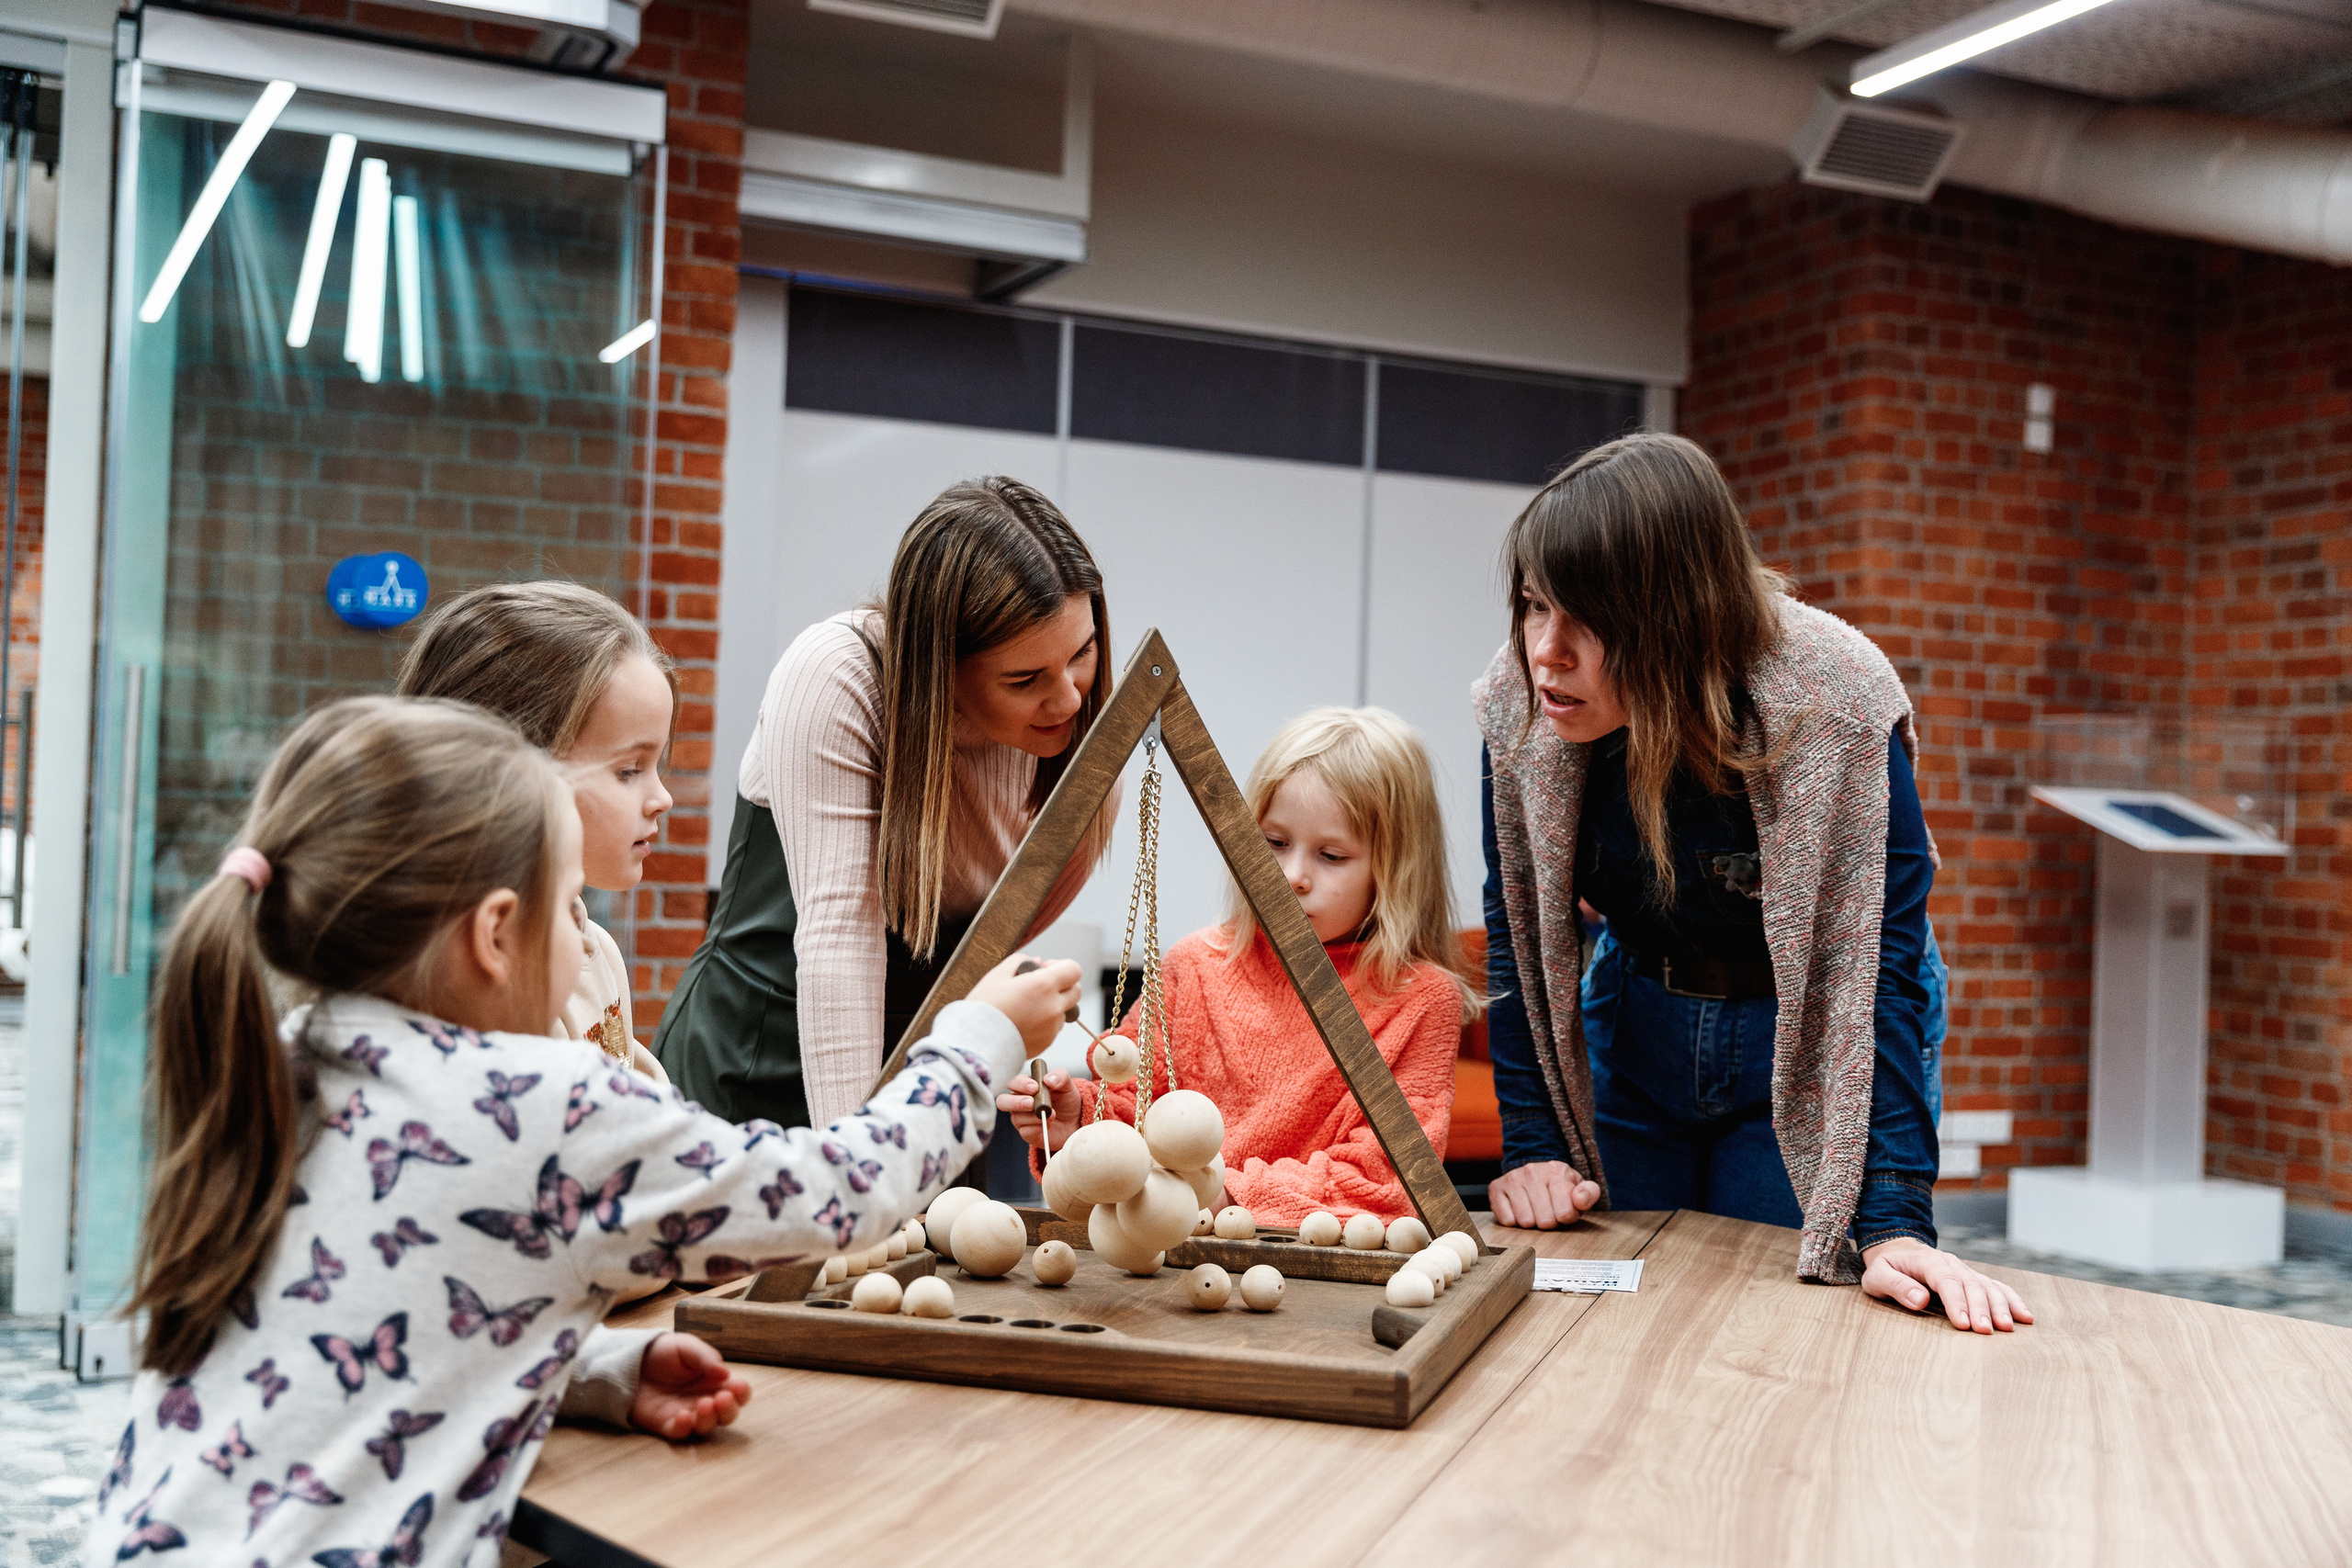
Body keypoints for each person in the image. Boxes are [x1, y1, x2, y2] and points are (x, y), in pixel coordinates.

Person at [94, 695, 1080, 1565]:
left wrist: (592, 1372)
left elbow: (367, 1334)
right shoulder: (538, 1103)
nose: (584, 939)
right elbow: (841, 1193)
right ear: (492, 934)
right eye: (573, 910)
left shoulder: (283, 1055)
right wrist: (979, 1041)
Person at [1476, 433, 2030, 1335]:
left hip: (1804, 1035)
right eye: (1534, 607)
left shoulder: (1839, 701)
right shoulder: (1525, 702)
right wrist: (1534, 1145)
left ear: (1676, 615)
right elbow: (1519, 926)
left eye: (1585, 618)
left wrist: (1893, 1220)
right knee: (1605, 1318)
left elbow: (1875, 962)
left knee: (1771, 1329)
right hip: (1639, 1017)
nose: (1546, 651)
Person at [654, 477, 1114, 1131]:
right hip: (753, 1072)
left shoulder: (1081, 738)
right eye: (1024, 679)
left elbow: (1001, 936)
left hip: (920, 1089)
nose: (1069, 698)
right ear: (940, 666)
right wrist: (861, 1172)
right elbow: (839, 941)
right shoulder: (838, 676)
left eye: (1083, 653)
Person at [999, 707, 1474, 1224]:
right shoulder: (1195, 966)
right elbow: (1134, 1107)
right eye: (1273, 843)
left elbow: (1383, 1180)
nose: (1292, 875)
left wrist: (1226, 1195)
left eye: (1331, 856)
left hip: (1304, 1270)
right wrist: (1080, 1119)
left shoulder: (1420, 998)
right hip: (1167, 1259)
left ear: (1397, 869)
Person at [397, 581, 675, 1081]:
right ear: (513, 772)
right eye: (629, 770)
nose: (662, 798)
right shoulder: (468, 989)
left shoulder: (596, 948)